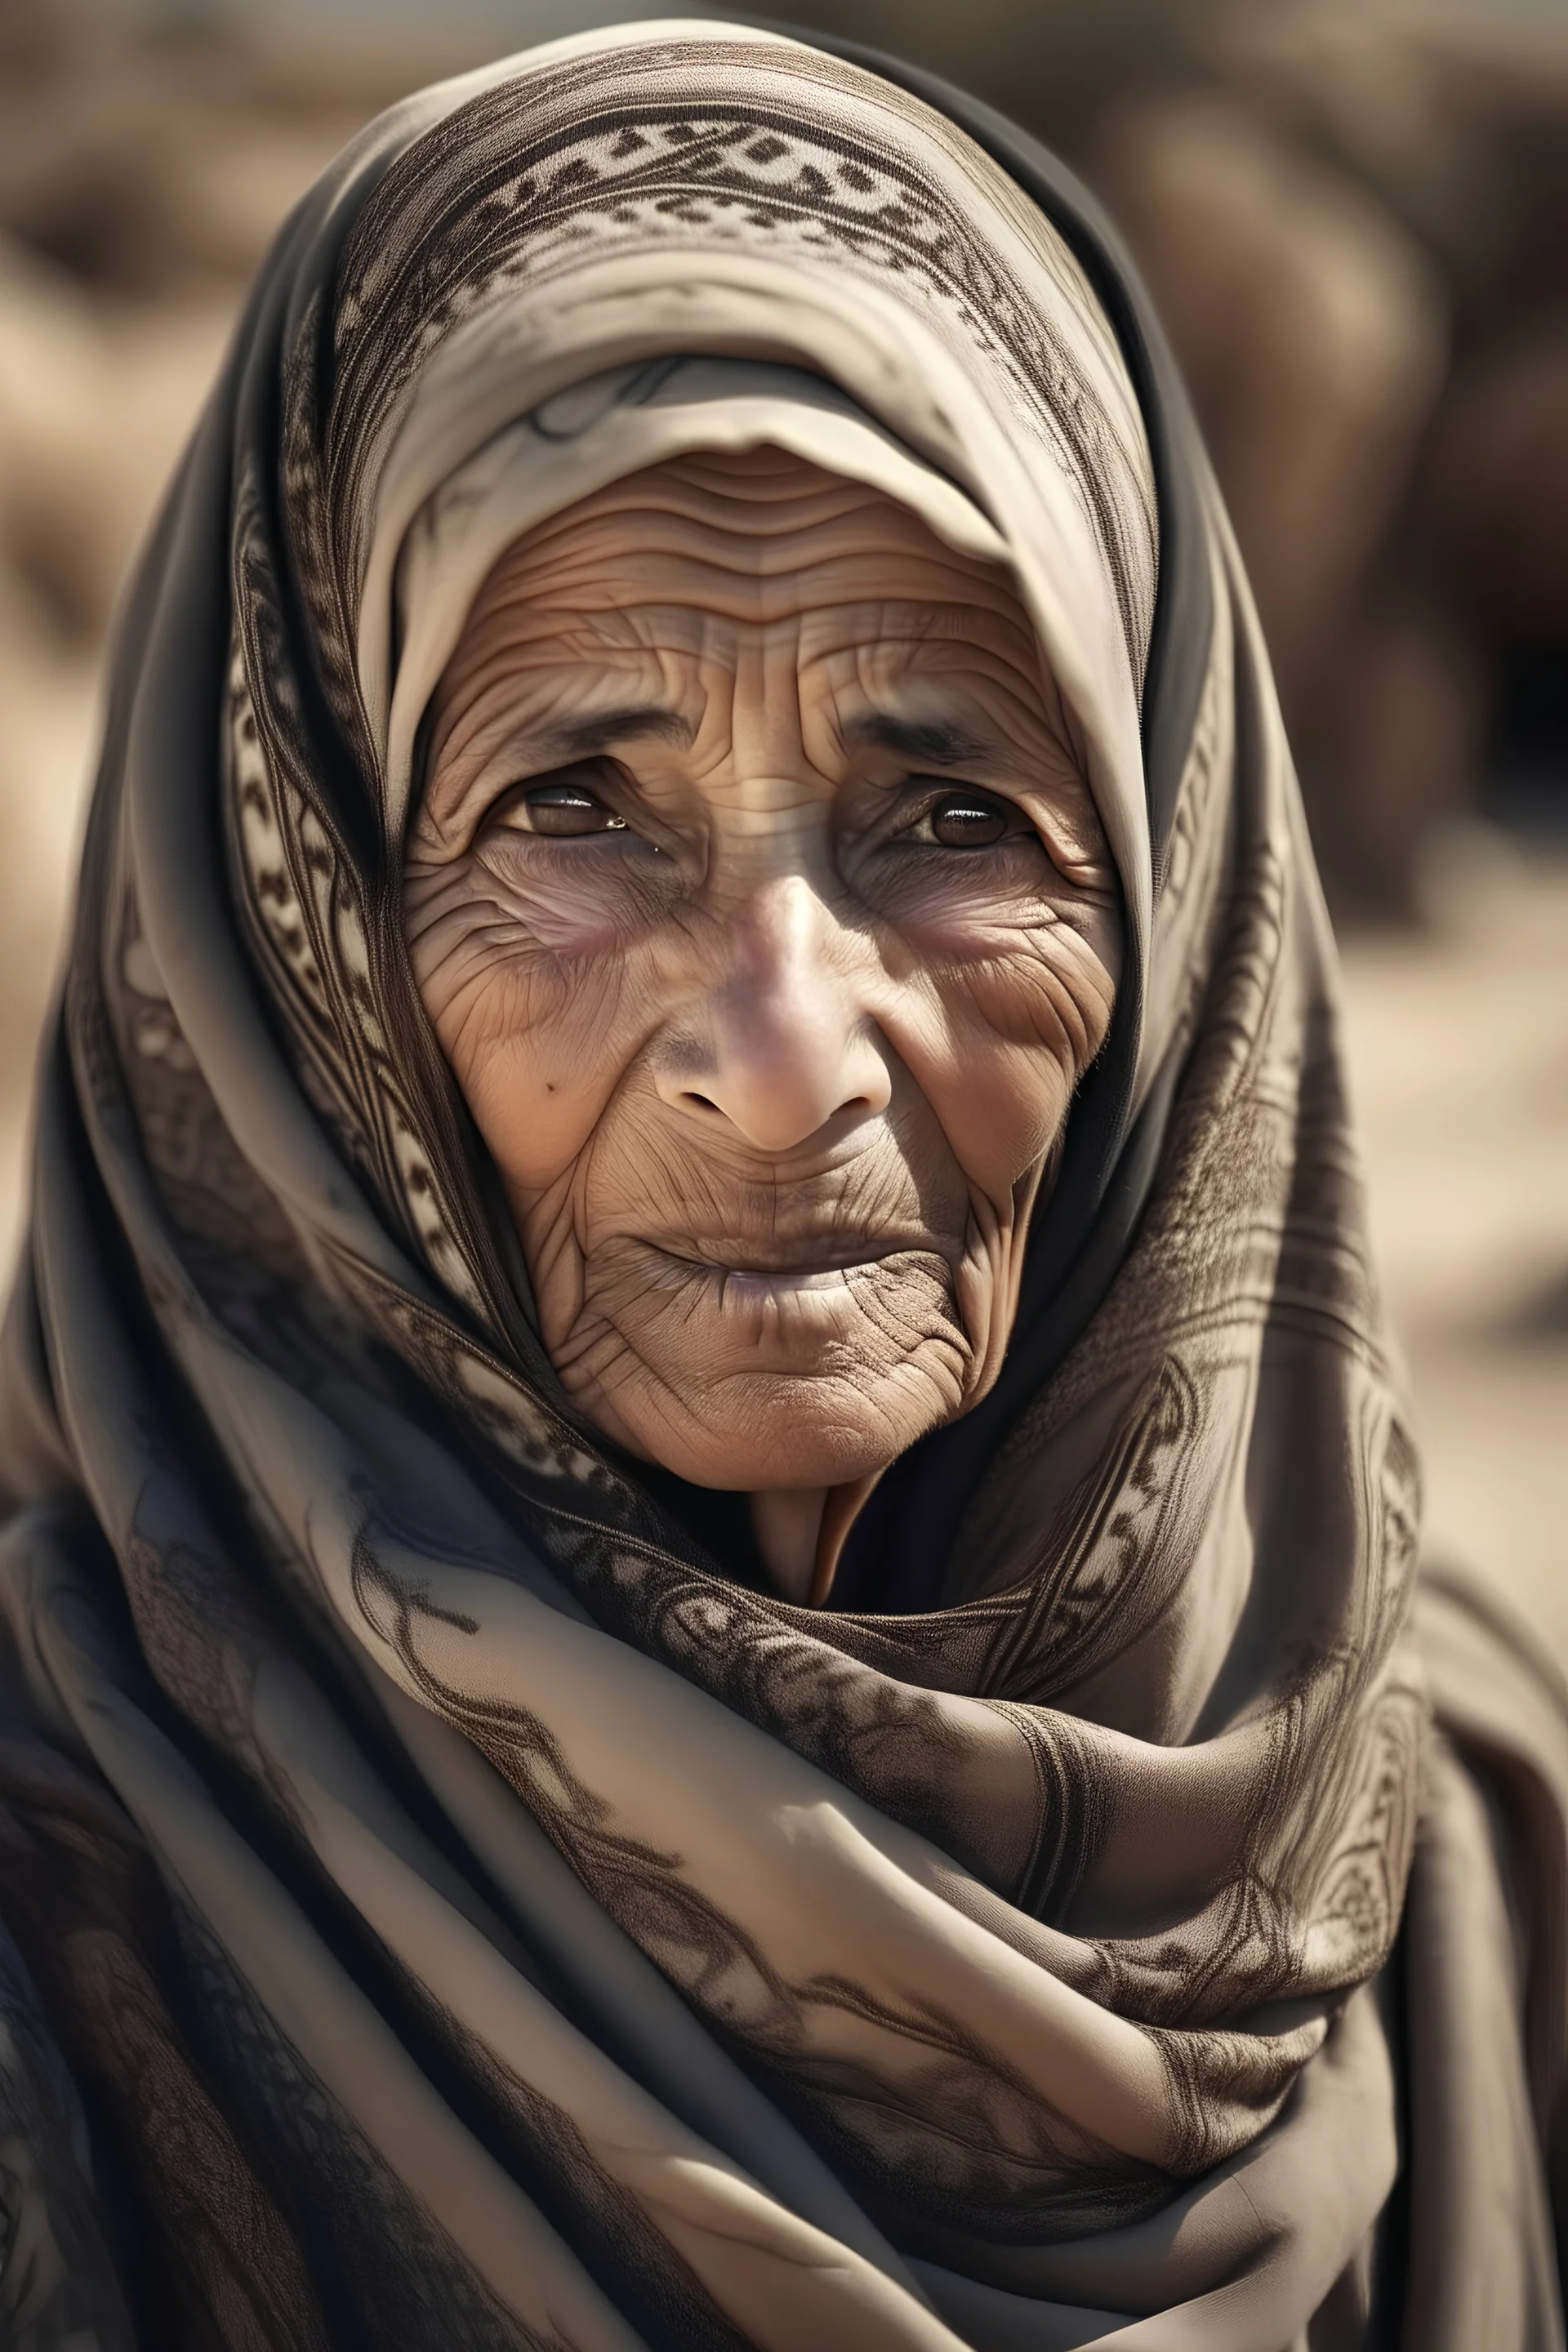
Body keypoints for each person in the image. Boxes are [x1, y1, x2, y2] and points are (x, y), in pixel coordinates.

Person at [0, 21, 1561, 2350]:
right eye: (569, 812)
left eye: (952, 819)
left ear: (1174, 889)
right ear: (298, 920)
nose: (778, 1052)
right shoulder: (65, 1914)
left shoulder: (1460, 1871)